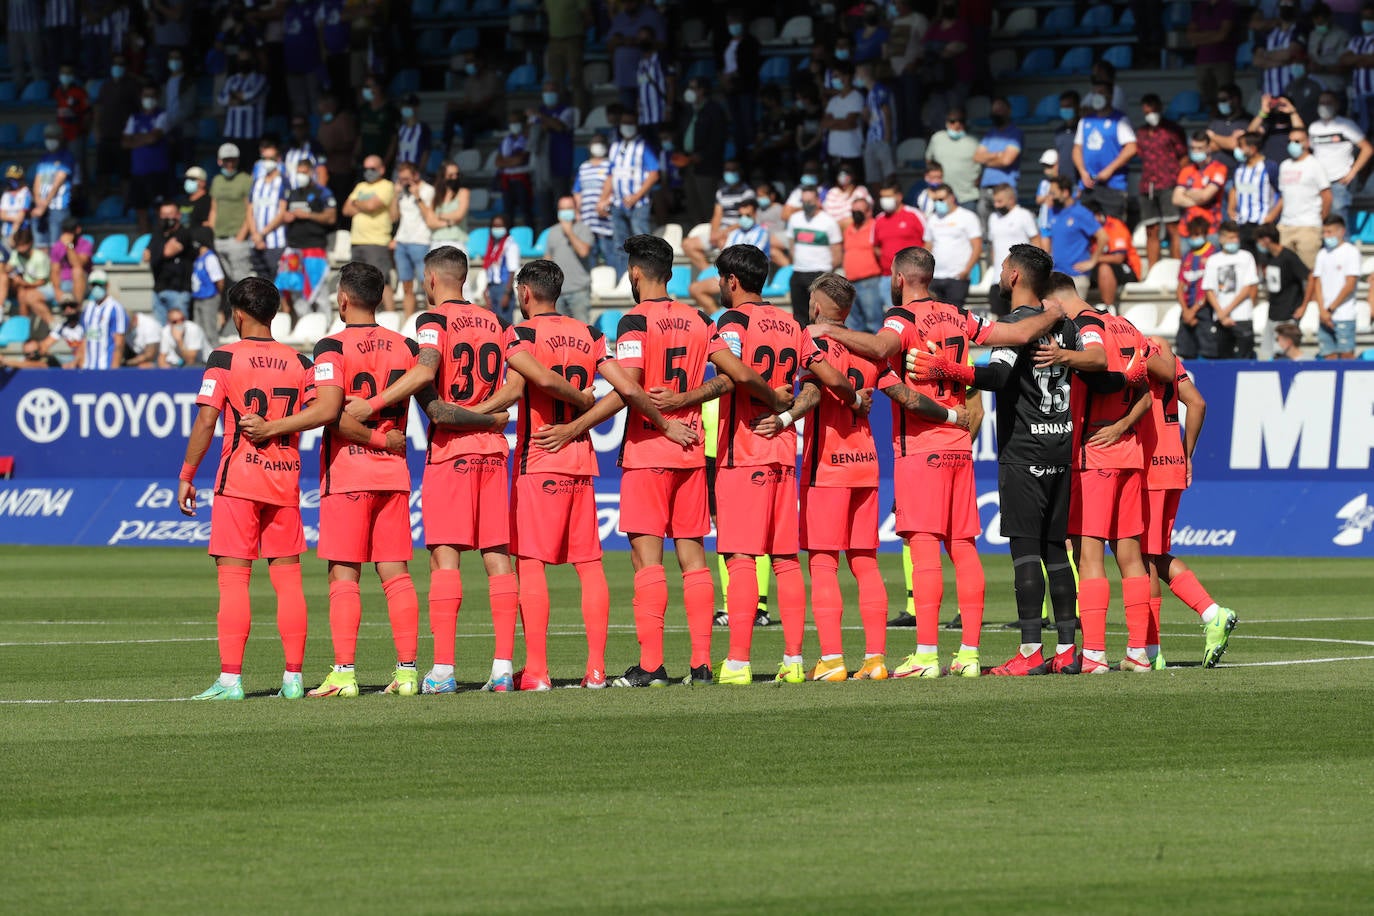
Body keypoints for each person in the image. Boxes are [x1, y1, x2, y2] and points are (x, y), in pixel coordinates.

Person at [534, 235, 779, 687]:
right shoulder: (701, 319)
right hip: (692, 451)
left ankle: (651, 666)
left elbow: (629, 388)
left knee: (648, 562)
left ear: (635, 274)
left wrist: (575, 427)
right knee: (694, 560)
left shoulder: (633, 322)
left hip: (649, 451)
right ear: (672, 272)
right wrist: (687, 398)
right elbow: (732, 377)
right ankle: (702, 665)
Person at [809, 247, 1066, 678]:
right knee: (964, 549)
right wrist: (1052, 313)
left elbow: (878, 346)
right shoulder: (959, 315)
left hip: (921, 446)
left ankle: (926, 655)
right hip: (959, 445)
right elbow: (1017, 335)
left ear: (898, 278)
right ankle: (967, 655)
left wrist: (829, 331)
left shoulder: (902, 318)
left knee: (924, 548)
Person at [504, 258, 704, 688]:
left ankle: (537, 671)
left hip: (540, 455)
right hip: (582, 461)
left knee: (531, 564)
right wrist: (664, 422)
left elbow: (538, 378)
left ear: (525, 293)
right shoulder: (590, 334)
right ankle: (595, 670)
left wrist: (576, 400)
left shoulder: (518, 333)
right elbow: (629, 388)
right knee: (590, 565)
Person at [340, 247, 519, 693]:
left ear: (432, 279)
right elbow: (514, 384)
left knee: (445, 558)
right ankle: (502, 669)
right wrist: (489, 415)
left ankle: (442, 670)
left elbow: (427, 372)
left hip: (453, 451)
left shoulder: (432, 320)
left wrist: (376, 403)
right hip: (495, 449)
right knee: (498, 558)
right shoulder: (496, 322)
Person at [241, 262, 423, 699]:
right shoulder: (407, 347)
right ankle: (409, 673)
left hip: (349, 473)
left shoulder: (331, 347)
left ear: (343, 299)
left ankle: (344, 674)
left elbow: (331, 413)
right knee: (396, 574)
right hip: (394, 473)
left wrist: (271, 428)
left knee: (344, 574)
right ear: (380, 298)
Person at [909, 245, 1082, 675]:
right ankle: (1066, 649)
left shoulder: (1016, 323)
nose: (1001, 272)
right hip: (1060, 444)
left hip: (1024, 450)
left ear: (1015, 277)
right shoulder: (1066, 327)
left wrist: (944, 368)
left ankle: (1028, 653)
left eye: (1005, 266)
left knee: (1025, 552)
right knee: (1056, 552)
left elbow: (999, 376)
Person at [698, 245, 856, 685]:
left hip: (743, 450)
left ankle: (738, 663)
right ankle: (793, 660)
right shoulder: (792, 324)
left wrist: (767, 398)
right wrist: (853, 397)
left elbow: (732, 373)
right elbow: (830, 381)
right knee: (786, 559)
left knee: (741, 557)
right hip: (785, 452)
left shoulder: (731, 322)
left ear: (731, 280)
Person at [177, 277, 316, 700]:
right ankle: (293, 679)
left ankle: (231, 680)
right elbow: (320, 413)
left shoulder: (223, 357)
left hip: (239, 480)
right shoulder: (301, 361)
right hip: (285, 478)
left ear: (238, 314)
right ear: (273, 314)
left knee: (234, 580)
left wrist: (186, 473)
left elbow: (206, 420)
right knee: (289, 580)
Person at [761, 273, 897, 679]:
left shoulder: (814, 344)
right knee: (866, 563)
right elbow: (901, 394)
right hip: (867, 463)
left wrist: (784, 418)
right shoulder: (870, 350)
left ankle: (833, 660)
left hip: (828, 467)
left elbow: (816, 391)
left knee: (823, 564)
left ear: (817, 307)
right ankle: (875, 660)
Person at [1038, 274, 1154, 672]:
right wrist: (1124, 426)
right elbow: (1148, 389)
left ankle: (1094, 654)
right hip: (1129, 451)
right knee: (1130, 555)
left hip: (1095, 453)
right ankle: (1139, 652)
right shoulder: (1126, 325)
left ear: (1053, 300)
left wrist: (1061, 357)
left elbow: (1097, 362)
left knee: (1088, 555)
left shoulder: (1086, 327)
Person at [1138, 336, 1239, 667]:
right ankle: (1213, 613)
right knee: (1154, 553)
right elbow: (1197, 403)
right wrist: (1186, 453)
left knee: (1143, 558)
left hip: (1147, 465)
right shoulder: (1168, 359)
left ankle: (1149, 650)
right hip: (1172, 464)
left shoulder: (1138, 358)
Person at [598, 112, 660, 277]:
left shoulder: (643, 146)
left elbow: (654, 174)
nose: (627, 126)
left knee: (642, 244)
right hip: (618, 204)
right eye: (624, 122)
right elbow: (611, 175)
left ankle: (648, 277)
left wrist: (636, 196)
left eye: (630, 122)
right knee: (620, 245)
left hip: (639, 204)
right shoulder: (615, 146)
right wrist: (603, 199)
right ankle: (623, 279)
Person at [687, 198, 772, 314]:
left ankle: (718, 318)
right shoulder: (735, 233)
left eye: (748, 215)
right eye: (741, 215)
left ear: (755, 214)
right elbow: (725, 255)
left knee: (697, 289)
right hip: (733, 274)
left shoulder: (762, 232)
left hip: (751, 276)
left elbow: (751, 259)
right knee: (695, 288)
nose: (744, 219)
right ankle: (717, 317)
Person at [278, 157, 337, 317]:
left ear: (311, 173)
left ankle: (325, 324)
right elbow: (282, 214)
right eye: (298, 173)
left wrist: (308, 215)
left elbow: (331, 217)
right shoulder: (293, 194)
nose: (301, 176)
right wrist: (286, 217)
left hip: (314, 249)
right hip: (294, 250)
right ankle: (304, 322)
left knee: (319, 292)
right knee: (296, 291)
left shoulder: (322, 192)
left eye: (304, 172)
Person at [1137, 93, 1187, 271]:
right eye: (1147, 108)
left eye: (1153, 107)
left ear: (1159, 107)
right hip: (1147, 185)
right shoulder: (1141, 133)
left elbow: (1183, 156)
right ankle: (1152, 271)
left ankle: (1177, 269)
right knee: (1151, 229)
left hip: (1168, 183)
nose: (1150, 112)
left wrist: (1178, 179)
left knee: (1174, 227)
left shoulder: (1172, 130)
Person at [1304, 92, 1373, 222]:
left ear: (1336, 105)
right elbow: (1310, 152)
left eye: (1328, 102)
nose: (1324, 106)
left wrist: (1352, 172)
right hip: (1319, 181)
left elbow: (1367, 148)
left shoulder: (1346, 125)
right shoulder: (1314, 127)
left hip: (1339, 180)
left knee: (1337, 218)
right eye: (1322, 103)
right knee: (1319, 217)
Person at [1073, 81, 1137, 220]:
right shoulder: (1085, 121)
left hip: (1113, 186)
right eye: (1095, 93)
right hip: (1088, 185)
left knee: (1113, 229)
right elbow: (1077, 148)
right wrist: (1082, 172)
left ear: (1110, 95)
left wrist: (1110, 170)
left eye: (1101, 93)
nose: (1098, 96)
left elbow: (1131, 147)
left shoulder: (1119, 120)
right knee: (1086, 230)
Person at [1302, 215, 1361, 359]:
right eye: (1324, 232)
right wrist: (1322, 310)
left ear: (1341, 231)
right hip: (1324, 315)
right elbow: (1318, 282)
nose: (1326, 236)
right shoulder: (1322, 254)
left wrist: (1331, 309)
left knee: (1346, 355)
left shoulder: (1351, 252)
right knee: (1328, 355)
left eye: (1330, 232)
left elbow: (1350, 284)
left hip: (1343, 314)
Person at [342, 156, 396, 310]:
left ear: (382, 169)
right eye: (365, 169)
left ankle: (391, 314)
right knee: (357, 282)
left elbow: (373, 205)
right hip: (357, 241)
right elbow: (346, 209)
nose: (368, 172)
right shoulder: (360, 186)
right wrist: (364, 205)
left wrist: (356, 203)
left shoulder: (387, 185)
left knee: (382, 281)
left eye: (372, 169)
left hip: (377, 242)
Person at [676, 77, 729, 227]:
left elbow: (718, 139)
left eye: (693, 88)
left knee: (707, 204)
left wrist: (702, 155)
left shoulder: (714, 110)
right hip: (688, 165)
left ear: (702, 91)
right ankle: (697, 233)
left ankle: (711, 235)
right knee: (692, 204)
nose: (689, 91)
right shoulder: (688, 110)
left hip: (706, 166)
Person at [1202, 221, 1260, 358]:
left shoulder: (1246, 257)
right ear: (1221, 239)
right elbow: (1209, 290)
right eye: (1230, 238)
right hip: (1220, 318)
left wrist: (1226, 311)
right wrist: (1220, 314)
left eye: (1236, 237)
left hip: (1242, 316)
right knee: (1223, 359)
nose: (1234, 241)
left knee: (1245, 359)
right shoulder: (1213, 260)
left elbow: (1248, 287)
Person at [682, 162, 753, 274]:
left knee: (723, 244)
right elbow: (717, 215)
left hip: (738, 231)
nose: (729, 173)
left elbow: (748, 219)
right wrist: (713, 233)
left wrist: (723, 232)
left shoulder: (748, 193)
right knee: (687, 244)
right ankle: (709, 274)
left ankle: (730, 277)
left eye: (732, 170)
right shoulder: (721, 192)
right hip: (720, 232)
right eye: (727, 170)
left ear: (739, 172)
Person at [786, 186, 843, 325]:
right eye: (804, 201)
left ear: (818, 200)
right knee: (799, 317)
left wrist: (828, 272)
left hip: (820, 272)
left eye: (810, 201)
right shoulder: (794, 219)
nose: (806, 204)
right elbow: (791, 244)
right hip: (799, 272)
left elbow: (837, 251)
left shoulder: (828, 221)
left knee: (821, 315)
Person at [1278, 127, 1333, 268]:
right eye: (1290, 141)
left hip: (1308, 226)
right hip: (1286, 226)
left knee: (1308, 272)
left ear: (1307, 143)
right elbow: (1283, 196)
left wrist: (1320, 219)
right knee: (1286, 272)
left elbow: (1327, 196)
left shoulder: (1315, 164)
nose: (1293, 144)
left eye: (1297, 141)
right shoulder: (1284, 165)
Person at [985, 184, 1042, 316]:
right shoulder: (993, 218)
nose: (996, 205)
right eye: (994, 201)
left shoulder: (1023, 215)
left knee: (1020, 317)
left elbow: (1036, 241)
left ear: (1011, 199)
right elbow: (993, 245)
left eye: (1000, 201)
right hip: (998, 279)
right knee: (999, 319)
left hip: (1020, 278)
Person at [1254, 224, 1310, 358]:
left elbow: (1309, 277)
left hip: (1288, 314)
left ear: (1266, 240)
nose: (1258, 244)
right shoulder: (1267, 257)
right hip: (1273, 313)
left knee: (1285, 354)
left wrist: (1303, 306)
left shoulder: (1289, 257)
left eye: (1259, 240)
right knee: (1267, 354)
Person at [1044, 176, 1104, 298]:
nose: (1050, 197)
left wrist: (1092, 262)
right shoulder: (1052, 212)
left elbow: (1103, 237)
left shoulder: (1081, 213)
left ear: (1065, 192)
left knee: (1073, 317)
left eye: (1053, 193)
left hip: (1075, 277)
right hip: (1056, 275)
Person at [387, 162, 434, 318]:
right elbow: (393, 217)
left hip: (421, 241)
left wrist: (417, 196)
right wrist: (395, 195)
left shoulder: (428, 190)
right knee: (406, 286)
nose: (404, 182)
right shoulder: (401, 192)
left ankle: (433, 319)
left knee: (426, 285)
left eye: (407, 178)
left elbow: (429, 217)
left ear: (416, 176)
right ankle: (408, 319)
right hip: (402, 242)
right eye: (401, 179)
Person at [924, 184, 982, 307]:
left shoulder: (967, 217)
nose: (937, 203)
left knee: (954, 317)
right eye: (935, 200)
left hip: (957, 277)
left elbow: (977, 246)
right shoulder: (932, 219)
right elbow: (928, 246)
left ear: (951, 198)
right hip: (935, 277)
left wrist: (966, 271)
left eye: (941, 199)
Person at [608, 0, 667, 112]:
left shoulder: (653, 16)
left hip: (648, 77)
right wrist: (623, 41)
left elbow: (662, 44)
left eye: (631, 2)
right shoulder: (620, 18)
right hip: (624, 77)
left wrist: (638, 42)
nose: (627, 4)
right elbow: (609, 44)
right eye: (624, 2)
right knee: (628, 116)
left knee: (648, 114)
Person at [717, 11, 761, 163]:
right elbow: (722, 65)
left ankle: (751, 152)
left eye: (736, 22)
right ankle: (739, 153)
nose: (733, 26)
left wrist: (733, 76)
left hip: (745, 87)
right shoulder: (726, 43)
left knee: (747, 121)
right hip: (730, 88)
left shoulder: (751, 42)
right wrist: (724, 78)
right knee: (736, 123)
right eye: (730, 23)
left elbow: (750, 65)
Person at [974, 96, 1024, 227]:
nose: (996, 113)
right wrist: (998, 155)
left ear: (1008, 111)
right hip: (986, 188)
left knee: (1007, 225)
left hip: (1005, 187)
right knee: (985, 229)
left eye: (1000, 109)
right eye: (994, 110)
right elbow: (977, 157)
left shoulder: (1015, 133)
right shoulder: (990, 134)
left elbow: (1007, 160)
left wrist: (987, 158)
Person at [1228, 131, 1282, 252]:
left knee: (1264, 261)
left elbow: (1283, 194)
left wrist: (1272, 216)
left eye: (1240, 146)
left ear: (1252, 148)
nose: (1237, 150)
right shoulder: (1239, 168)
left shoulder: (1269, 167)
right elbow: (1235, 188)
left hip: (1263, 223)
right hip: (1243, 223)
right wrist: (1231, 208)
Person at [208, 144, 254, 285]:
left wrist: (241, 236)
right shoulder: (216, 180)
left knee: (241, 282)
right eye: (226, 160)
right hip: (218, 238)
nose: (229, 164)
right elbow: (214, 209)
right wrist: (211, 233)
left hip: (237, 238)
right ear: (219, 161)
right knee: (224, 283)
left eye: (232, 160)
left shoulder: (246, 180)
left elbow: (250, 210)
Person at [1176, 216, 1219, 359]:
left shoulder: (1213, 255)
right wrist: (1186, 311)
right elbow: (1180, 286)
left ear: (1205, 234)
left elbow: (1210, 288)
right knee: (1184, 349)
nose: (1194, 238)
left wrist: (1194, 310)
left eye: (1197, 234)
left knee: (1208, 350)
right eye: (1192, 235)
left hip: (1205, 309)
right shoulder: (1187, 256)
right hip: (1187, 309)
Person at [841, 197, 886, 331]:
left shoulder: (875, 226)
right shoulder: (849, 228)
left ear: (868, 212)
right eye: (853, 211)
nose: (856, 214)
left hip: (869, 282)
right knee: (852, 325)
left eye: (859, 211)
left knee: (874, 323)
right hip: (850, 283)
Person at [444, 54, 504, 150]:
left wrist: (462, 107)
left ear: (480, 62)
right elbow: (467, 102)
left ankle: (467, 154)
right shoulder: (469, 80)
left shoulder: (491, 78)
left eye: (471, 61)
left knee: (469, 124)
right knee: (451, 115)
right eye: (467, 62)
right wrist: (455, 105)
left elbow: (485, 105)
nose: (468, 64)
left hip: (490, 118)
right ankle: (445, 148)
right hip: (473, 114)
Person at [148, 202, 195, 326]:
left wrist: (157, 251)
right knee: (161, 334)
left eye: (170, 215)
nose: (166, 218)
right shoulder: (157, 233)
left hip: (178, 292)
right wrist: (161, 251)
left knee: (179, 331)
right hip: (158, 290)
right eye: (163, 215)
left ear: (178, 215)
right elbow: (146, 255)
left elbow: (168, 252)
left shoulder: (184, 233)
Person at [573, 137, 615, 269]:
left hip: (605, 218)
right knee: (590, 254)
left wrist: (606, 202)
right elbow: (577, 191)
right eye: (595, 144)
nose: (598, 147)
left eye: (601, 144)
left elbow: (615, 187)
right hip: (587, 219)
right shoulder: (584, 167)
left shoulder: (610, 165)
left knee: (609, 253)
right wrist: (578, 211)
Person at [925, 109, 979, 209]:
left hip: (967, 198)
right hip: (940, 197)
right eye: (952, 121)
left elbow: (980, 170)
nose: (957, 124)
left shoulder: (974, 142)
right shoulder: (937, 138)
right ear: (946, 123)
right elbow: (929, 162)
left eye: (961, 121)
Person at [32, 125, 75, 251]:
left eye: (53, 137)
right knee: (41, 246)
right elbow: (37, 181)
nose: (50, 140)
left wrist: (43, 205)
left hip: (58, 208)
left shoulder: (66, 157)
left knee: (56, 246)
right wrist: (38, 200)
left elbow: (58, 182)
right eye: (47, 137)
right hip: (41, 208)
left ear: (60, 138)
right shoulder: (44, 158)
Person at [1189, 0, 1241, 104]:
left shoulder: (1228, 6)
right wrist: (1214, 34)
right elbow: (1190, 35)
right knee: (1207, 98)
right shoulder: (1200, 7)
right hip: (1202, 60)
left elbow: (1222, 35)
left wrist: (1200, 37)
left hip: (1223, 59)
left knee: (1226, 96)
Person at [873, 178, 926, 278]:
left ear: (899, 196)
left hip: (913, 275)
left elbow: (928, 241)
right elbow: (876, 247)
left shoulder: (914, 215)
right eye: (882, 197)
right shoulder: (879, 219)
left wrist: (920, 266)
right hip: (888, 276)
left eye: (888, 196)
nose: (884, 200)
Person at [822, 61, 866, 179]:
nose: (834, 79)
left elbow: (849, 124)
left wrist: (834, 123)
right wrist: (841, 122)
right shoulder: (833, 101)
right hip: (834, 153)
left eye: (836, 76)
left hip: (851, 153)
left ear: (846, 77)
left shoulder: (856, 97)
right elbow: (824, 123)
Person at [1253, 1, 1305, 100]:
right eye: (1283, 5)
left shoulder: (1299, 29)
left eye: (1289, 5)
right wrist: (1284, 61)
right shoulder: (1269, 32)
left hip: (1292, 94)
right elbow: (1256, 61)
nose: (1286, 8)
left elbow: (1289, 54)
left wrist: (1265, 55)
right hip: (1269, 94)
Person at [545, 0, 590, 113]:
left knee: (575, 78)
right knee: (556, 81)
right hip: (554, 40)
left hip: (573, 40)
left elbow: (588, 16)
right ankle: (559, 114)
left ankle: (580, 115)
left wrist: (578, 32)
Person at [2, 228, 53, 326]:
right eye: (18, 246)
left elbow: (41, 282)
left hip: (44, 287)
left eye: (23, 246)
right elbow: (8, 268)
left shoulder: (40, 258)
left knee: (24, 294)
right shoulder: (17, 254)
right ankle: (22, 322)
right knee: (4, 278)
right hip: (26, 285)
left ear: (30, 244)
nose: (20, 250)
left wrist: (22, 283)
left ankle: (25, 323)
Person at [79, 269, 127, 370]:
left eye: (100, 285)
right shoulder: (88, 308)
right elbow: (84, 339)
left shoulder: (115, 308)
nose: (97, 288)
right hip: (88, 367)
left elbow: (119, 342)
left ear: (107, 285)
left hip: (106, 367)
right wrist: (82, 364)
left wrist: (114, 370)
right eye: (93, 285)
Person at [219, 50, 269, 146]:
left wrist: (233, 95)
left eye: (246, 60)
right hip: (231, 133)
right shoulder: (231, 80)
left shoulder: (260, 79)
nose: (243, 63)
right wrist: (241, 98)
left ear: (252, 61)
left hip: (252, 134)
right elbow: (222, 98)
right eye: (241, 60)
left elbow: (252, 95)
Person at [316, 94, 358, 209]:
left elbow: (350, 142)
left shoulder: (343, 118)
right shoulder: (324, 119)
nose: (321, 108)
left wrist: (333, 148)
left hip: (342, 169)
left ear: (331, 105)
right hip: (327, 169)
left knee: (341, 201)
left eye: (323, 105)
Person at [19, 297, 85, 368]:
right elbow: (45, 344)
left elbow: (85, 347)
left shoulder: (86, 324)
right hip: (71, 357)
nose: (68, 309)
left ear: (78, 307)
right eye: (64, 307)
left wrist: (75, 361)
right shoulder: (62, 327)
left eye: (72, 306)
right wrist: (34, 353)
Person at [496, 112, 535, 228]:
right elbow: (498, 162)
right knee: (508, 214)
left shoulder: (528, 140)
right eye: (511, 122)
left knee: (526, 212)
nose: (513, 125)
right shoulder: (505, 141)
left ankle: (531, 239)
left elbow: (521, 159)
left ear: (522, 124)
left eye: (516, 122)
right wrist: (512, 161)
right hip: (507, 181)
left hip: (522, 180)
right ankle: (507, 240)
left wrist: (506, 161)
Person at [857, 62, 895, 183]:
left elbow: (886, 112)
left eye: (857, 73)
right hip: (871, 138)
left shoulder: (880, 89)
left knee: (889, 174)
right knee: (873, 177)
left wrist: (887, 137)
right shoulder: (869, 93)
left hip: (882, 137)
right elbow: (869, 117)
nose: (856, 76)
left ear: (865, 73)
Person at [1340, 7, 1374, 134]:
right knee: (1361, 133)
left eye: (1370, 18)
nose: (1367, 21)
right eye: (1364, 18)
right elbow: (1344, 60)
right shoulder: (1356, 40)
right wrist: (1366, 58)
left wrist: (1355, 59)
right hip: (1359, 96)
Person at [423, 160, 471, 252]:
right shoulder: (436, 195)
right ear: (443, 176)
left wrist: (439, 215)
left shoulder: (463, 192)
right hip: (436, 242)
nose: (455, 177)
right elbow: (430, 222)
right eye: (451, 175)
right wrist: (449, 223)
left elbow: (459, 215)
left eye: (457, 174)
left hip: (456, 242)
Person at [483, 216, 521, 326]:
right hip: (493, 287)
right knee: (494, 326)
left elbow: (512, 271)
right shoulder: (493, 245)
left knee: (505, 326)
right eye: (494, 226)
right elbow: (490, 270)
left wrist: (507, 293)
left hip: (504, 288)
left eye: (500, 226)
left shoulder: (510, 244)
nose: (497, 228)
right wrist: (487, 290)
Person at [190, 235, 227, 342]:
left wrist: (218, 295)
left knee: (210, 330)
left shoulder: (210, 257)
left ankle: (214, 355)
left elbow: (219, 280)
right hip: (198, 297)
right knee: (198, 330)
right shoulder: (198, 258)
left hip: (209, 298)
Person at [356, 74, 398, 166]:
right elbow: (361, 135)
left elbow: (394, 140)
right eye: (365, 87)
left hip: (382, 162)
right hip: (365, 161)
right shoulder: (364, 110)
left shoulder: (390, 111)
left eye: (369, 86)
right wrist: (355, 155)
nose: (366, 90)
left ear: (379, 88)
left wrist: (385, 162)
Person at [48, 217, 91, 304]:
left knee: (77, 271)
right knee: (30, 295)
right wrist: (57, 290)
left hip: (82, 283)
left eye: (70, 231)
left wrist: (69, 246)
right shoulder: (57, 246)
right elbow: (55, 270)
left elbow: (78, 265)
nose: (67, 235)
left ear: (77, 230)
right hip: (63, 284)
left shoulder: (85, 244)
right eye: (65, 231)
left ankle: (76, 308)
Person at [393, 97, 432, 177]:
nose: (405, 109)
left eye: (408, 106)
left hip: (416, 172)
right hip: (399, 172)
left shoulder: (423, 128)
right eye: (403, 106)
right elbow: (396, 150)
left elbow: (426, 151)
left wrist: (419, 171)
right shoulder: (399, 128)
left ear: (416, 108)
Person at [2, 164, 32, 245]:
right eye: (10, 179)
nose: (12, 181)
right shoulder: (6, 194)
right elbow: (2, 215)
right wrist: (15, 218)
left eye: (15, 179)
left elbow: (21, 217)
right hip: (6, 232)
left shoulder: (25, 193)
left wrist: (13, 234)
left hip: (21, 233)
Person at [180, 167, 213, 232]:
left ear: (203, 182)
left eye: (192, 179)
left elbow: (208, 223)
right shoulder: (183, 200)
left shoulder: (208, 201)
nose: (188, 181)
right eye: (187, 179)